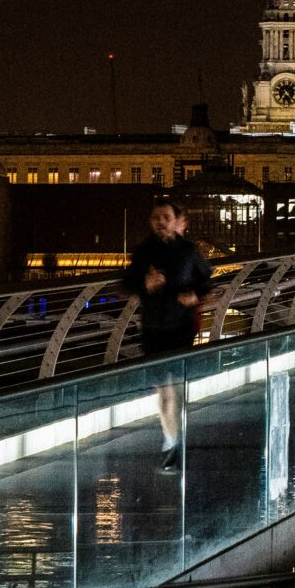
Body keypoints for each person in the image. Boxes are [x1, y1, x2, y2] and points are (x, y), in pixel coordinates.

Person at [120, 200, 213, 473]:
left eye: (165, 216)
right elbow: (126, 283)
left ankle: (175, 441)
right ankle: (171, 442)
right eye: (155, 217)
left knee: (176, 390)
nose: (160, 221)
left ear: (176, 220)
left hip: (181, 327)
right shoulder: (144, 251)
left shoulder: (188, 250)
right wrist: (144, 284)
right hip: (153, 327)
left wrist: (194, 295)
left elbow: (206, 282)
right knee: (164, 390)